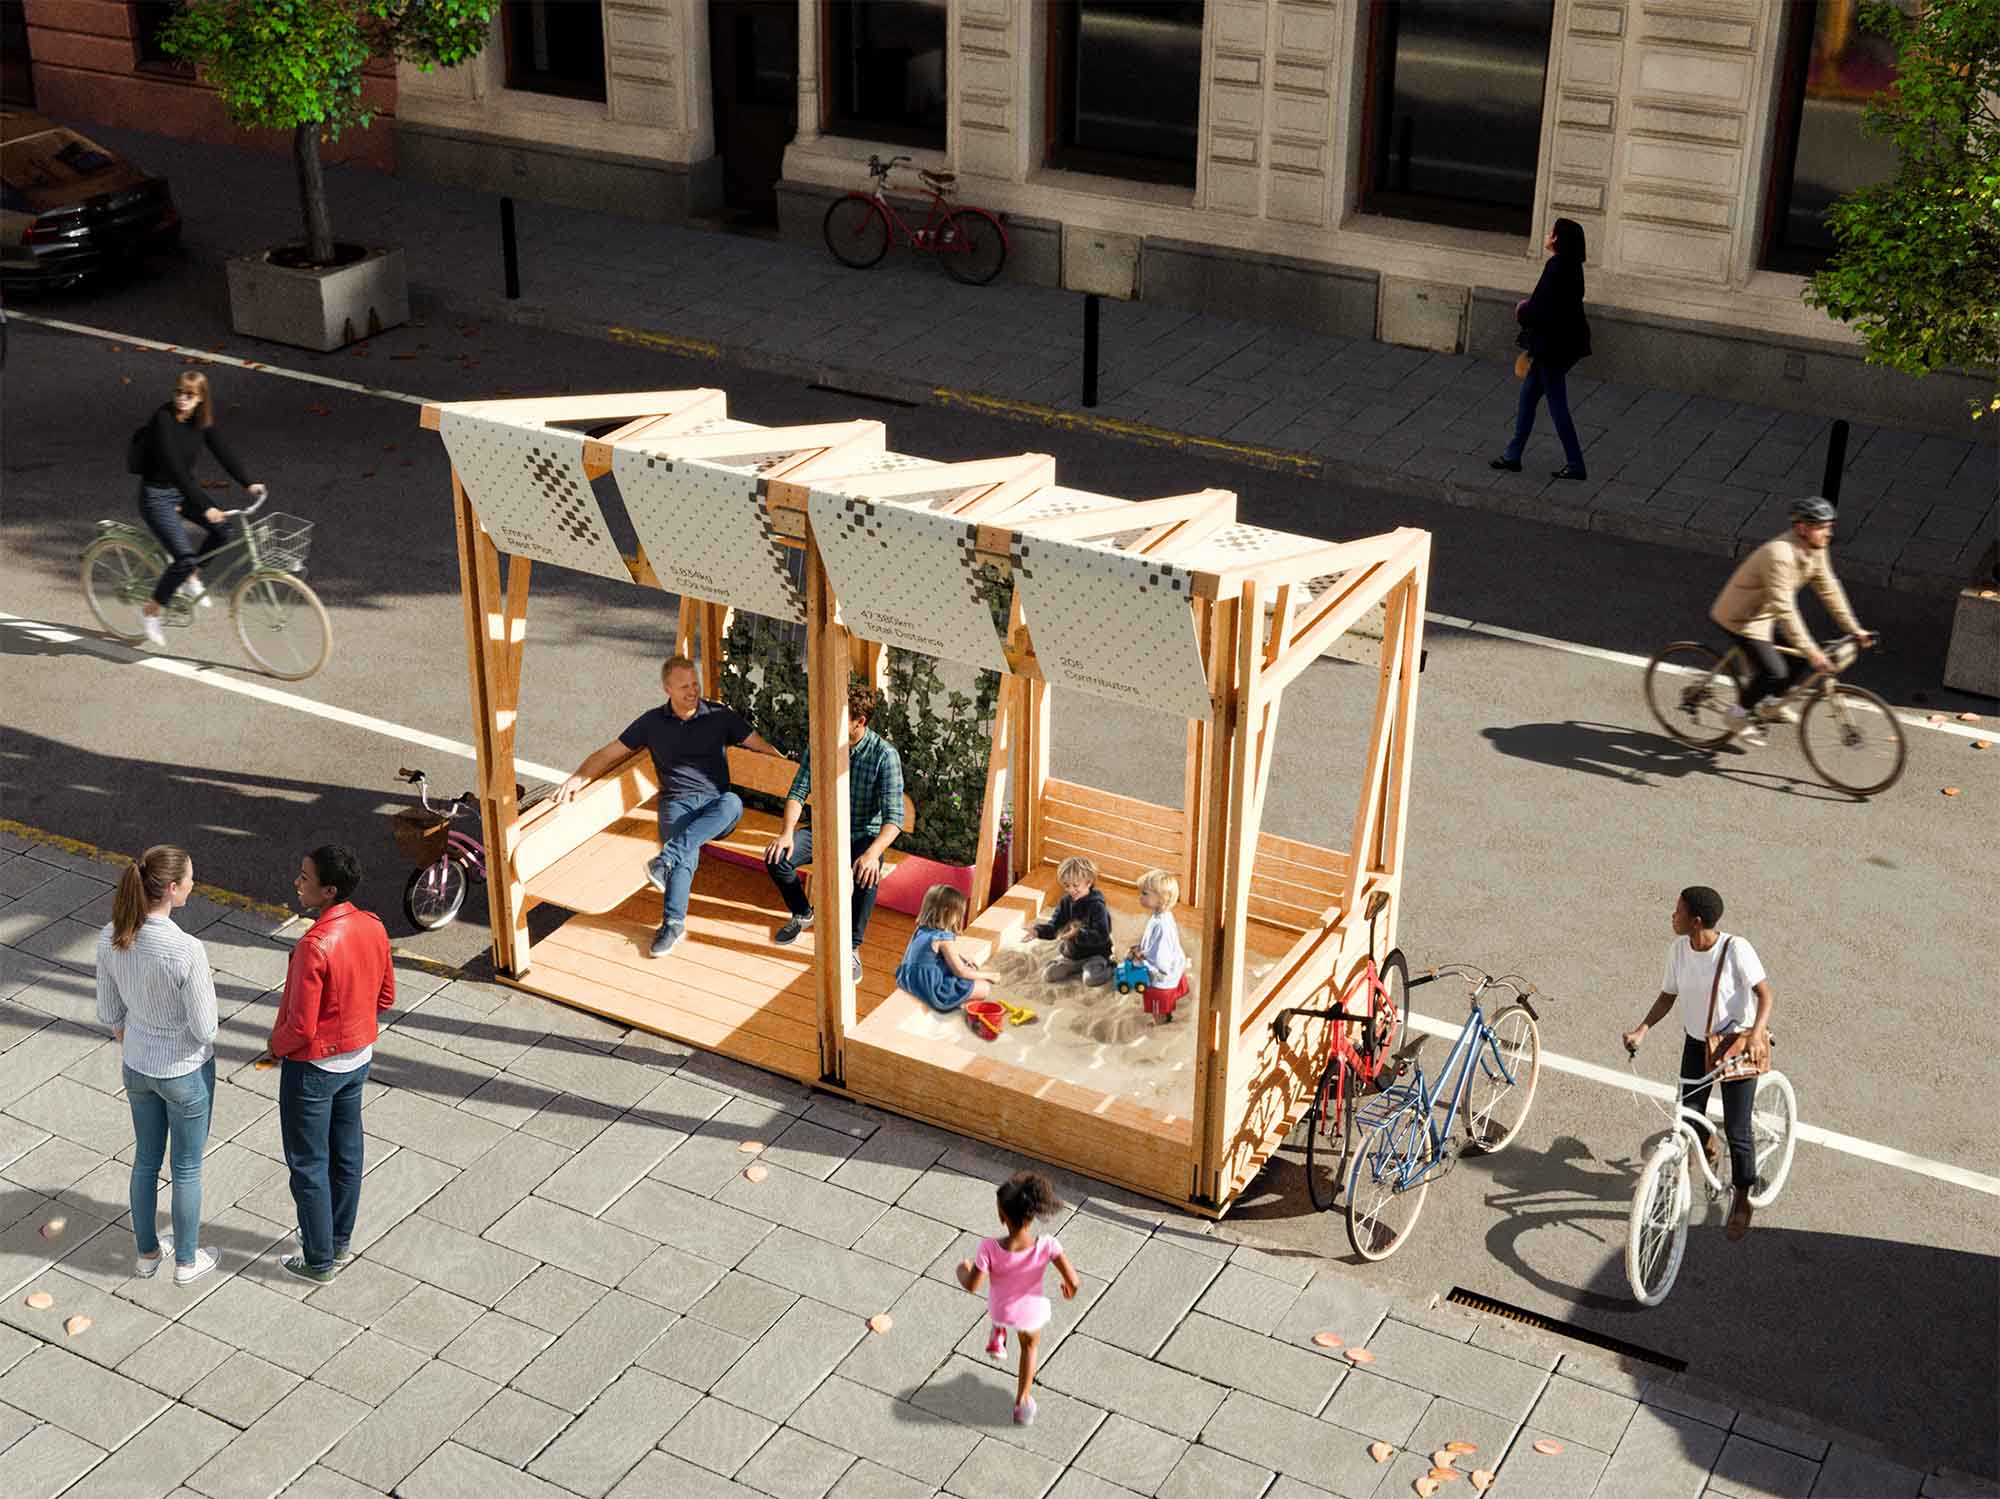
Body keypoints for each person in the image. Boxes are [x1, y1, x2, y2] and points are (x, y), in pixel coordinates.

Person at [556, 656, 782, 958]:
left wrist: (795, 774)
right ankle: (673, 924)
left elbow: (761, 746)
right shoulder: (651, 723)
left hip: (718, 806)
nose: (693, 691)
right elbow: (610, 753)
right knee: (685, 854)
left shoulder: (719, 715)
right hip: (677, 803)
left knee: (732, 803)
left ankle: (665, 860)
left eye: (695, 684)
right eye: (685, 686)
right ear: (668, 689)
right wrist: (577, 778)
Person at [268, 845, 395, 1283]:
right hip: (358, 1059)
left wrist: (275, 1046)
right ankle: (339, 1242)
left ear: (329, 890)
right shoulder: (373, 926)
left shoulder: (314, 946)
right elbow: (386, 997)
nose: (297, 883)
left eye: (305, 878)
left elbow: (301, 1027)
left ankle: (317, 1260)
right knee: (347, 1155)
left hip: (314, 1069)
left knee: (308, 1163)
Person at [95, 845, 220, 1286]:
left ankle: (147, 1255)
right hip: (185, 1071)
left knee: (145, 1160)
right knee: (186, 1167)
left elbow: (110, 1015)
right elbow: (206, 1030)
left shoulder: (113, 935)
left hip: (137, 1067)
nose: (193, 885)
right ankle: (187, 1261)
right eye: (189, 880)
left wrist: (139, 1044)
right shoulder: (187, 949)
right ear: (171, 889)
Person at [1621, 885, 1774, 1241]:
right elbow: (1667, 995)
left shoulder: (1736, 949)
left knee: (1738, 1131)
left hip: (1735, 1045)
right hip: (1696, 1045)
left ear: (1697, 921)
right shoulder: (1678, 950)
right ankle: (1704, 1145)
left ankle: (1742, 1198)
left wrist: (1756, 1033)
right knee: (1689, 1116)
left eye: (1678, 912)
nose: (1672, 916)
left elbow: (1765, 994)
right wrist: (1642, 1030)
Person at [765, 684, 904, 983]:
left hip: (862, 836)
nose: (830, 725)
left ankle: (851, 947)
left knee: (868, 874)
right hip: (824, 830)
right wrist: (787, 832)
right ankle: (803, 913)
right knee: (777, 858)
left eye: (840, 719)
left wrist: (872, 854)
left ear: (860, 721)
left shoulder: (884, 756)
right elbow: (799, 790)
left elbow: (894, 819)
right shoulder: (821, 743)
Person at [1709, 496, 1875, 745]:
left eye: (1830, 526)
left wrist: (1855, 628)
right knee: (1773, 671)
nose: (1828, 533)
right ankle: (1738, 715)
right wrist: (1814, 652)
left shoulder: (1816, 547)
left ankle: (1771, 703)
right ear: (1802, 528)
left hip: (1765, 613)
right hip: (1741, 617)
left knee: (1798, 658)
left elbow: (1829, 588)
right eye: (1822, 527)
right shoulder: (1780, 555)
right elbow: (1785, 608)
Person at [132, 371, 267, 648]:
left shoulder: (201, 421)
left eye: (190, 395)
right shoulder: (163, 419)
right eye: (179, 392)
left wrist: (248, 482)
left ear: (201, 399)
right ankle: (151, 610)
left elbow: (222, 451)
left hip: (182, 491)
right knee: (183, 557)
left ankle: (191, 575)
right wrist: (205, 506)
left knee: (222, 530)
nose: (182, 399)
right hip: (156, 496)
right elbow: (176, 470)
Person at [956, 1172, 1080, 1426]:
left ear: (1002, 1217)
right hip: (1030, 1314)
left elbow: (972, 1285)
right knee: (1029, 1347)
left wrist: (963, 1269)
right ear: (1032, 1214)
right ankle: (1023, 1402)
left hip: (1001, 1310)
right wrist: (1069, 1290)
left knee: (1001, 1307)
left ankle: (998, 1335)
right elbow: (1074, 1281)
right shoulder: (1047, 1245)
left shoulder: (989, 1248)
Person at [1491, 217, 1592, 481]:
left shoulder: (1556, 266)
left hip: (1553, 347)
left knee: (1557, 404)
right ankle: (1513, 455)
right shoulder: (1572, 266)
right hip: (1565, 343)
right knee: (1528, 396)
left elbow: (1541, 308)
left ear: (1558, 239)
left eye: (1551, 232)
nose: (1547, 235)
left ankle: (1575, 463)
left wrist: (1522, 310)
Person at [896, 884, 999, 1013]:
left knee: (966, 971)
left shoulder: (921, 929)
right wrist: (989, 976)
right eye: (958, 914)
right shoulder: (943, 938)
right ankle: (958, 1003)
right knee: (984, 987)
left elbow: (927, 955)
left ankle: (959, 999)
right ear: (947, 912)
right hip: (931, 989)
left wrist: (961, 956)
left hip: (908, 979)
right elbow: (961, 972)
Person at [1034, 855, 1113, 984]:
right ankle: (1073, 965)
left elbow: (1102, 935)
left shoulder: (1097, 906)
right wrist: (1037, 931)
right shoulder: (1066, 901)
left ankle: (1110, 967)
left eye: (1075, 885)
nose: (1071, 890)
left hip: (1095, 954)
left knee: (1090, 979)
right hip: (1073, 954)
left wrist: (1077, 933)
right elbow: (1054, 925)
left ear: (1089, 882)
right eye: (1067, 885)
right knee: (1049, 975)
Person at [1130, 868, 1189, 1023]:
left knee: (1158, 1006)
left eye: (1145, 894)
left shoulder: (1161, 925)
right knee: (1163, 1003)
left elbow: (1160, 958)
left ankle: (1161, 1022)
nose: (1140, 897)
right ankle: (1166, 1014)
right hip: (1171, 969)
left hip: (1161, 978)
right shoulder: (1162, 916)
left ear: (1162, 898)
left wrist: (1141, 958)